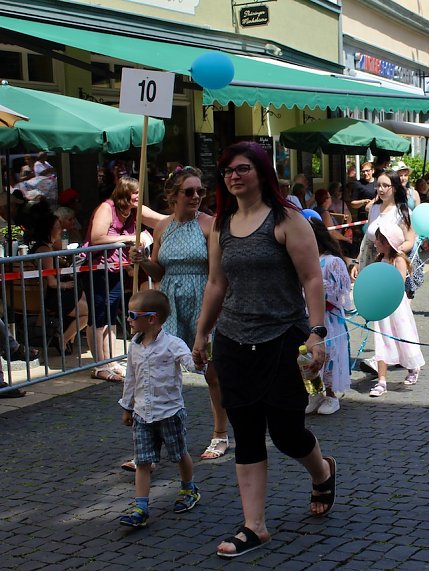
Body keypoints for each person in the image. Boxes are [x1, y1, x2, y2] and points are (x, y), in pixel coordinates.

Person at [191, 141, 335, 558]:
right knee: (248, 432)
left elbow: (311, 279)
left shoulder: (286, 219)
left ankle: (323, 471)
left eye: (242, 169)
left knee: (288, 433)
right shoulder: (222, 224)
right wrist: (202, 334)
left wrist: (316, 333)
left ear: (260, 172)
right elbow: (217, 283)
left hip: (283, 340)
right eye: (228, 171)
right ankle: (254, 525)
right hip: (234, 342)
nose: (234, 176)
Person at [130, 166, 229, 461]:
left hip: (202, 299)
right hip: (170, 301)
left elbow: (216, 274)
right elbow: (159, 271)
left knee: (212, 371)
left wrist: (212, 314)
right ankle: (152, 442)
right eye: (189, 191)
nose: (196, 196)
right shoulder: (162, 227)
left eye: (200, 191)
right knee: (160, 370)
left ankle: (220, 433)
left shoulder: (209, 224)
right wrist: (143, 260)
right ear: (173, 196)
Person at [117, 290, 202, 528]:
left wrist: (199, 357)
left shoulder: (173, 344)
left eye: (133, 315)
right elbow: (130, 379)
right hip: (142, 414)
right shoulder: (134, 347)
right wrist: (127, 407)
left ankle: (189, 489)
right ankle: (141, 506)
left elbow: (191, 365)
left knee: (179, 454)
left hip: (169, 413)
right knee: (142, 461)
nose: (128, 319)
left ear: (151, 318)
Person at [83, 176, 166, 382]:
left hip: (115, 268)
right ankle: (98, 364)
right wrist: (127, 238)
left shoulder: (134, 210)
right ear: (125, 194)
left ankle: (111, 361)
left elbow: (161, 219)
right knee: (99, 315)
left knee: (111, 314)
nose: (139, 196)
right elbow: (97, 237)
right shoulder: (106, 208)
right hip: (96, 268)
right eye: (135, 193)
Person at [367, 222, 425, 397]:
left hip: (396, 308)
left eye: (378, 240)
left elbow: (398, 285)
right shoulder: (379, 259)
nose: (375, 243)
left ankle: (413, 366)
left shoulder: (398, 260)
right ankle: (382, 381)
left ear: (387, 242)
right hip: (382, 308)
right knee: (381, 340)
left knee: (403, 338)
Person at [305, 219, 353, 415]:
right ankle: (314, 392)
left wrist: (320, 294)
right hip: (307, 316)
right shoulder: (304, 260)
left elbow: (341, 291)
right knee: (306, 356)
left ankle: (332, 395)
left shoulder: (333, 261)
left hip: (329, 318)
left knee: (330, 354)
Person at [31, 214, 88, 355]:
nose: (61, 230)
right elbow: (51, 282)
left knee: (84, 295)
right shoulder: (45, 251)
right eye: (58, 227)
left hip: (52, 294)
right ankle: (63, 339)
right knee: (89, 313)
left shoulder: (45, 248)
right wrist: (66, 285)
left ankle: (69, 339)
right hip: (53, 296)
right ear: (49, 230)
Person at [351, 170, 416, 279]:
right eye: (378, 186)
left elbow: (410, 241)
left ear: (394, 188)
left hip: (390, 264)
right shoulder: (373, 209)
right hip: (368, 262)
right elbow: (367, 238)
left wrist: (390, 252)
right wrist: (358, 262)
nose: (381, 189)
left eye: (385, 186)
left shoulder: (402, 212)